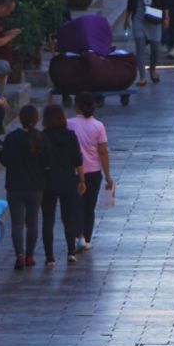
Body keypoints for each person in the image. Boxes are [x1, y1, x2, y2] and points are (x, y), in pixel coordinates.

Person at [38, 101, 86, 265]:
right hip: (68, 181)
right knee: (69, 218)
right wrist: (82, 180)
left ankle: (49, 257)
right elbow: (78, 160)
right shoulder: (70, 136)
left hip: (48, 182)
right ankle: (71, 252)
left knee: (48, 220)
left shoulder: (42, 137)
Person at [0, 104, 47, 269]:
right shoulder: (41, 137)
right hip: (36, 187)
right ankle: (30, 256)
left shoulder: (12, 138)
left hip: (15, 185)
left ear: (20, 119)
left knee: (17, 223)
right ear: (36, 119)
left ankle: (19, 254)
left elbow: (4, 160)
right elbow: (47, 162)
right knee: (32, 222)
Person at [66, 96, 114, 244]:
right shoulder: (98, 126)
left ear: (77, 107)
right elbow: (103, 152)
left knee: (75, 205)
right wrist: (107, 175)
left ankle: (78, 234)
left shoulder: (69, 124)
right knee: (89, 207)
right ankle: (87, 238)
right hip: (93, 172)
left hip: (73, 172)